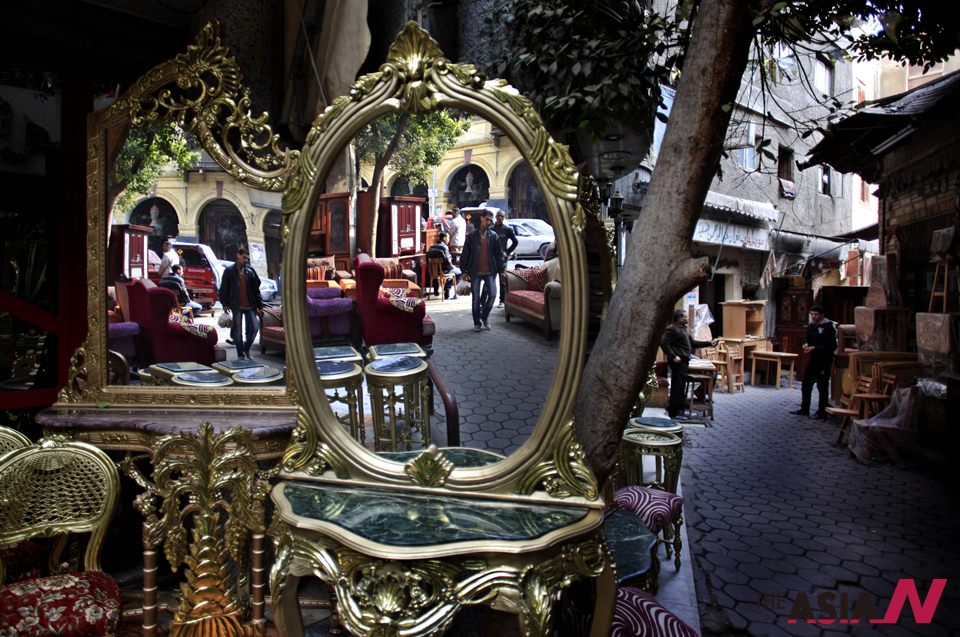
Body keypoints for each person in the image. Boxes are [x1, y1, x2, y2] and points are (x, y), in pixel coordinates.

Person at [660, 309, 717, 420]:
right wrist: (673, 356)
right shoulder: (673, 329)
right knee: (677, 387)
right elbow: (663, 342)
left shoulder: (683, 329)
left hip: (684, 361)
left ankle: (680, 409)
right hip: (678, 362)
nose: (687, 318)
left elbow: (693, 343)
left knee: (681, 387)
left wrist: (709, 343)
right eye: (685, 317)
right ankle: (674, 412)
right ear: (680, 318)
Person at [459, 210, 505, 332]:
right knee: (476, 299)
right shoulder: (472, 236)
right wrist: (464, 271)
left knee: (493, 294)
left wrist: (502, 271)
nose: (489, 222)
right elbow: (465, 255)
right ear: (481, 218)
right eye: (487, 219)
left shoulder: (494, 236)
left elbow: (499, 255)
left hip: (490, 271)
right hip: (475, 272)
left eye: (491, 220)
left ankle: (484, 317)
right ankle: (476, 322)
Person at [790, 304, 837, 420]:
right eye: (812, 314)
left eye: (816, 314)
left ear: (821, 315)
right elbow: (808, 339)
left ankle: (822, 412)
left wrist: (816, 348)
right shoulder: (811, 326)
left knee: (822, 386)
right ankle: (804, 409)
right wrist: (806, 344)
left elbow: (832, 346)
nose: (813, 316)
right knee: (806, 383)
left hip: (824, 360)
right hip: (813, 360)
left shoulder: (828, 327)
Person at [218, 248, 263, 359]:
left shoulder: (250, 271)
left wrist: (260, 306)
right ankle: (240, 354)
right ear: (238, 255)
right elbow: (224, 288)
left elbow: (256, 290)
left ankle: (246, 348)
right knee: (238, 332)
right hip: (236, 305)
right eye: (244, 257)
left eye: (248, 258)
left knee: (254, 327)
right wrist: (224, 304)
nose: (246, 260)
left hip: (250, 306)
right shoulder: (229, 271)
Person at [493, 211, 518, 307]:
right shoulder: (491, 229)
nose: (499, 217)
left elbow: (515, 242)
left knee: (502, 280)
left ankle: (502, 300)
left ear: (504, 218)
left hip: (502, 259)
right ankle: (486, 301)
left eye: (502, 216)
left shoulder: (507, 229)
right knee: (489, 279)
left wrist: (507, 252)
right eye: (498, 216)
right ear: (496, 217)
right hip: (492, 258)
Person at [425, 232, 461, 299]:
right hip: (444, 271)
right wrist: (453, 267)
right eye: (448, 238)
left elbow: (427, 260)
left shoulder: (431, 247)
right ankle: (447, 286)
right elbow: (448, 261)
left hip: (433, 272)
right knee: (460, 272)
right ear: (444, 238)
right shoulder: (444, 247)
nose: (449, 239)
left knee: (447, 272)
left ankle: (440, 288)